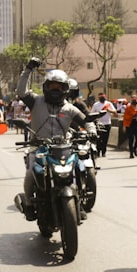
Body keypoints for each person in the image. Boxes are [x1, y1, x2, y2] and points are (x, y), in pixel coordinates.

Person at [14, 60, 87, 219]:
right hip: (38, 148)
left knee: (80, 168)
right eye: (52, 86)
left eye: (59, 87)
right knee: (29, 175)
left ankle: (79, 203)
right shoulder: (35, 101)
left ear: (65, 89)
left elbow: (86, 122)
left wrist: (92, 131)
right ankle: (29, 204)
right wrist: (28, 69)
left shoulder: (70, 108)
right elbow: (20, 91)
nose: (55, 90)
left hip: (63, 148)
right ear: (46, 87)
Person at [88, 92, 116, 157]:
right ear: (98, 98)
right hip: (99, 124)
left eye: (103, 96)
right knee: (99, 139)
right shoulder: (96, 105)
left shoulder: (109, 104)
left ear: (105, 97)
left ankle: (104, 152)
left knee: (105, 139)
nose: (102, 98)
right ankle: (98, 151)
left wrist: (109, 110)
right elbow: (92, 113)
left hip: (107, 124)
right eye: (100, 97)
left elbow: (115, 112)